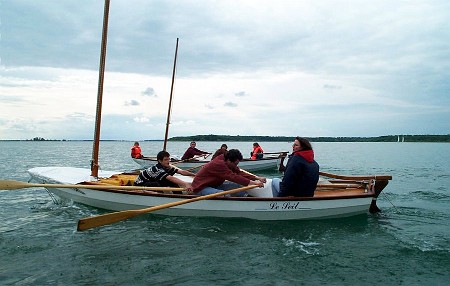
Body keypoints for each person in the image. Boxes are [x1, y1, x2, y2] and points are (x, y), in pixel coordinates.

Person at [192, 149, 266, 196]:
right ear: (229, 161)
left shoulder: (227, 160)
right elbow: (233, 177)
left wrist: (257, 178)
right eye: (235, 164)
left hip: (214, 185)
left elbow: (239, 172)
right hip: (200, 187)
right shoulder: (219, 164)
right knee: (225, 195)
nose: (236, 166)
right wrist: (253, 183)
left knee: (236, 185)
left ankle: (247, 200)